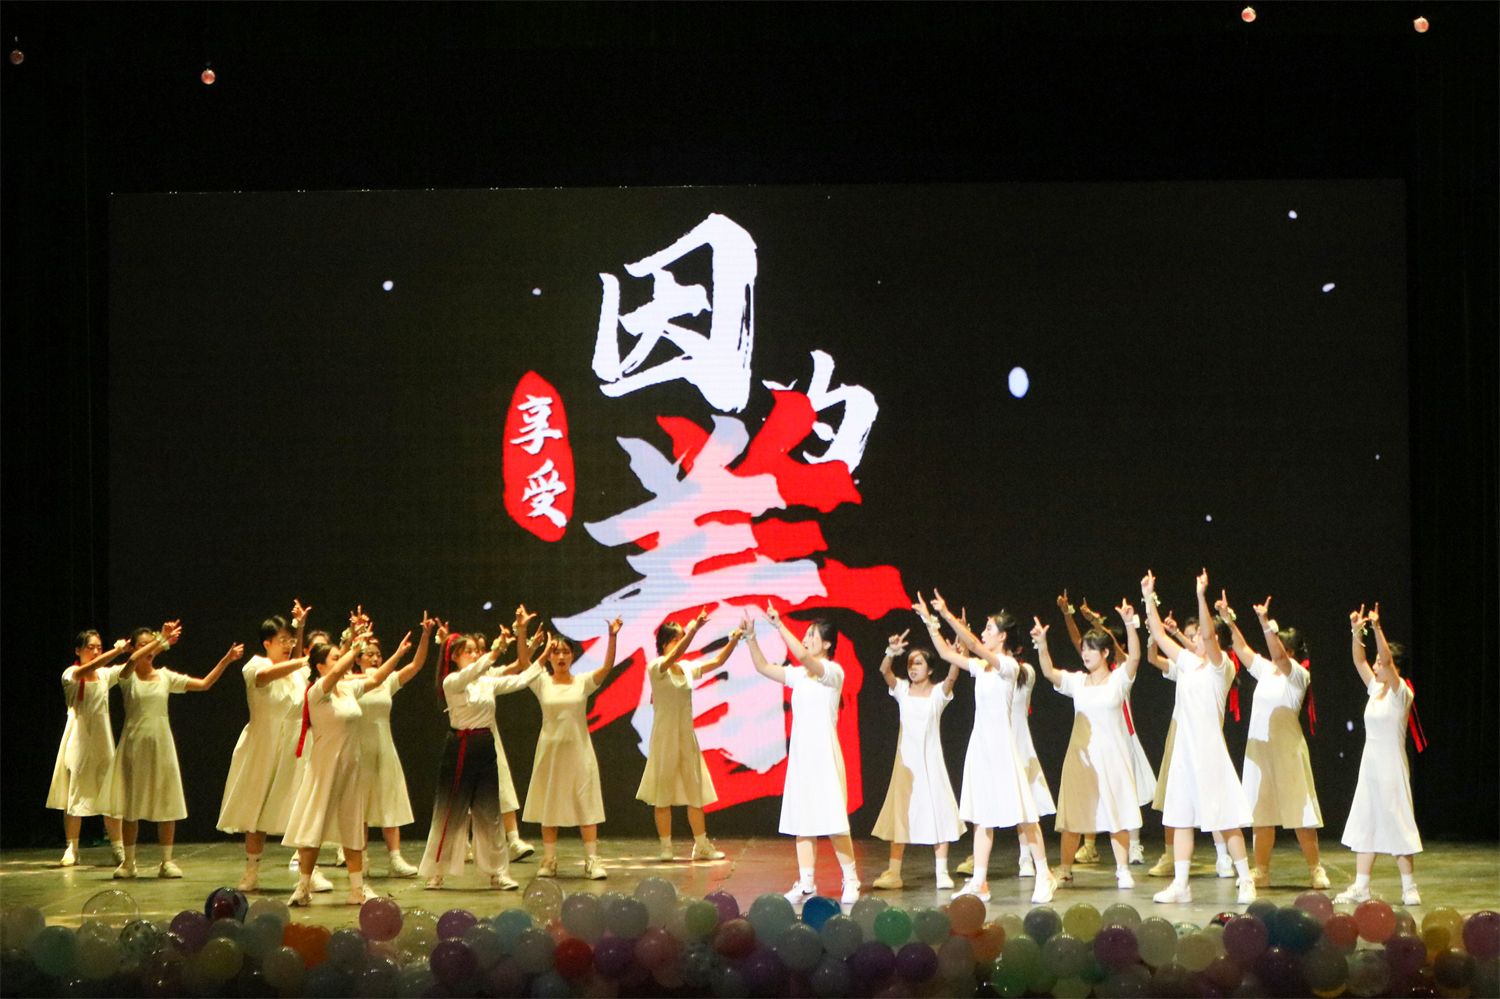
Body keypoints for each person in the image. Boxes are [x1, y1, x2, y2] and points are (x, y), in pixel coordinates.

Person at [921, 591, 1056, 904]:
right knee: (982, 816)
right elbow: (946, 653)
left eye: (989, 628)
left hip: (1002, 747)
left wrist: (947, 614)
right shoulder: (981, 667)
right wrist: (930, 621)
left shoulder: (1008, 666)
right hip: (980, 748)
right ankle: (980, 882)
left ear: (1003, 636)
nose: (984, 633)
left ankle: (1044, 874)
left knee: (1025, 814)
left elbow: (973, 644)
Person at [1142, 570, 1256, 904]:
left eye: (1204, 638)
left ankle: (1246, 878)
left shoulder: (1223, 667)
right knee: (1179, 818)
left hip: (1209, 751)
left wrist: (1201, 596)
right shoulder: (1188, 663)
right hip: (1184, 749)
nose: (1198, 640)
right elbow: (1159, 635)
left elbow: (1207, 633)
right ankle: (1181, 884)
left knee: (1226, 817)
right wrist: (1148, 597)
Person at [743, 606, 863, 906]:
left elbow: (804, 657)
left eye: (812, 635)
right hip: (801, 756)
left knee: (834, 820)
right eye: (806, 635)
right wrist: (751, 637)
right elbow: (762, 667)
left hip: (824, 754)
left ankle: (851, 878)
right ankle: (807, 883)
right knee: (802, 820)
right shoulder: (798, 676)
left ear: (827, 643)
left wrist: (779, 625)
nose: (806, 639)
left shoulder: (832, 672)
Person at [104, 622, 242, 878]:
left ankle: (166, 861)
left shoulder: (165, 676)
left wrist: (226, 660)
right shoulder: (126, 676)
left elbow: (204, 684)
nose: (148, 650)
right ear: (134, 647)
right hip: (133, 744)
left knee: (166, 802)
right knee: (130, 806)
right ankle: (129, 863)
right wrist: (161, 639)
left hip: (161, 745)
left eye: (150, 645)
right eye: (142, 645)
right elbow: (132, 660)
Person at [420, 607, 544, 890]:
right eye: (468, 651)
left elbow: (519, 679)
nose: (474, 655)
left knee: (490, 814)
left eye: (476, 651)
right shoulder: (452, 681)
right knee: (450, 812)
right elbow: (475, 670)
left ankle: (497, 872)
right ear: (454, 657)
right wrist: (496, 651)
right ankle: (436, 871)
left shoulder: (486, 681)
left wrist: (542, 658)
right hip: (460, 748)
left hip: (485, 746)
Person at [1216, 592, 1329, 890]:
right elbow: (1241, 648)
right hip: (1260, 749)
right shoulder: (1267, 671)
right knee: (1261, 812)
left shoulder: (1299, 676)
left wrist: (1265, 621)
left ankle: (1316, 869)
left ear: (1290, 650)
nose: (1275, 651)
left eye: (1281, 646)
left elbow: (1278, 657)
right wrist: (1228, 619)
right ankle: (1262, 870)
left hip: (1287, 751)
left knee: (1300, 812)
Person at [1034, 602, 1144, 890]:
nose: (1085, 654)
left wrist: (1130, 624)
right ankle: (1065, 868)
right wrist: (1042, 644)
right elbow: (1049, 672)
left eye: (1091, 649)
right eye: (1083, 649)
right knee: (1073, 815)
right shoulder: (1078, 682)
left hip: (1112, 756)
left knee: (1117, 814)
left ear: (1105, 653)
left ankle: (1122, 869)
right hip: (1080, 758)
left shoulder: (1118, 680)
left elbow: (1134, 658)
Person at [283, 625, 394, 905]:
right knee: (313, 827)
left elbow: (377, 678)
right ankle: (303, 887)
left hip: (350, 767)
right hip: (325, 768)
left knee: (352, 827)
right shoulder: (316, 691)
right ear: (319, 666)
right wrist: (354, 648)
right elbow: (334, 674)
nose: (340, 661)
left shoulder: (347, 688)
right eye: (334, 657)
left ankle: (357, 889)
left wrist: (401, 653)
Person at [218, 609, 316, 891]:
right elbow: (266, 676)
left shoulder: (298, 673)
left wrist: (301, 628)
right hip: (263, 744)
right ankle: (251, 871)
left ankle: (308, 873)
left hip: (293, 746)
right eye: (281, 640)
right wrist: (305, 658)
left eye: (290, 640)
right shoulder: (255, 665)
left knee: (300, 807)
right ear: (267, 643)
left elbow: (299, 668)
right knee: (256, 808)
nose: (287, 645)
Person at [1056, 593, 1153, 867]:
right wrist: (1068, 615)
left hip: (1122, 737)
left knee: (1123, 795)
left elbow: (1130, 656)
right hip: (1101, 737)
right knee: (1093, 790)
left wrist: (1103, 624)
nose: (1087, 652)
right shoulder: (1089, 677)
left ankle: (1133, 846)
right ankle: (1089, 846)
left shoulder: (1119, 673)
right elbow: (1080, 643)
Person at [636, 609, 741, 862]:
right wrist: (693, 630)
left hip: (686, 737)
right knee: (663, 794)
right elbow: (674, 656)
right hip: (664, 737)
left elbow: (717, 662)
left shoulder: (685, 668)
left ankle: (701, 845)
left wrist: (734, 640)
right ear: (664, 643)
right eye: (676, 638)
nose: (681, 642)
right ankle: (666, 847)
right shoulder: (656, 667)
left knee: (695, 791)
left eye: (681, 637)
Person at [1335, 604, 1423, 905]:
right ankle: (1361, 885)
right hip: (1370, 766)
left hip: (1391, 767)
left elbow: (1384, 657)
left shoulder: (1402, 693)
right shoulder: (1376, 689)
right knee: (1366, 820)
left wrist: (1376, 628)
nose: (1375, 666)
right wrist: (1356, 631)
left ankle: (1409, 886)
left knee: (1398, 820)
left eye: (1380, 663)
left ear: (1392, 666)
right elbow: (1358, 659)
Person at [525, 616, 622, 880]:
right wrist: (523, 633)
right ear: (549, 657)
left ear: (572, 656)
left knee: (585, 803)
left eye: (566, 652)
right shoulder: (541, 681)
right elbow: (524, 663)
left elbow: (607, 667)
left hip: (579, 752)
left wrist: (612, 636)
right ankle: (549, 860)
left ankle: (592, 860)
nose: (561, 657)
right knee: (550, 806)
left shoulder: (582, 682)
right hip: (550, 754)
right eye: (556, 652)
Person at [869, 631, 964, 891]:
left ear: (930, 669)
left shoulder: (937, 694)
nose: (913, 667)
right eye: (910, 663)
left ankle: (941, 872)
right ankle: (894, 872)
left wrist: (956, 655)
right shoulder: (902, 690)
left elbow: (952, 677)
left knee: (938, 812)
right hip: (906, 765)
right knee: (901, 813)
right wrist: (891, 652)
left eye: (919, 663)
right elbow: (885, 671)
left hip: (931, 763)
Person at [1145, 612, 1235, 879]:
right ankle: (1172, 857)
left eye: (1196, 635)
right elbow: (1156, 657)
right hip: (1181, 730)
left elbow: (1199, 648)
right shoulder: (1186, 664)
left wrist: (1174, 634)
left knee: (1213, 798)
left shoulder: (1217, 666)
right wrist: (1156, 634)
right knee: (1174, 797)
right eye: (1191, 636)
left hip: (1205, 735)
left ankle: (1224, 857)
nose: (1193, 639)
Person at [347, 614, 435, 877]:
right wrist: (354, 633)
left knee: (389, 800)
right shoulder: (349, 681)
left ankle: (395, 858)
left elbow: (416, 665)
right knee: (359, 805)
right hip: (359, 748)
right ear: (358, 658)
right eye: (369, 654)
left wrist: (425, 636)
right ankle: (360, 857)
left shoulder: (387, 680)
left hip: (384, 746)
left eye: (378, 654)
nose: (375, 658)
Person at [48, 630, 129, 866]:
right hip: (79, 739)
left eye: (98, 647)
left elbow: (131, 665)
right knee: (74, 792)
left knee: (109, 794)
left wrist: (157, 641)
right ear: (78, 650)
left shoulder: (104, 675)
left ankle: (118, 847)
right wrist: (117, 651)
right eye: (90, 647)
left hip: (102, 741)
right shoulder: (70, 673)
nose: (95, 651)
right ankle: (72, 848)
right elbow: (88, 669)